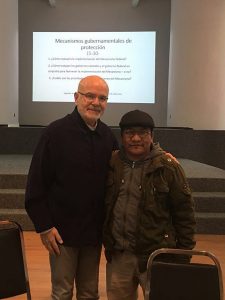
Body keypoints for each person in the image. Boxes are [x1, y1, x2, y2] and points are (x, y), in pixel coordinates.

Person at [25, 75, 119, 300]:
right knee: (62, 293)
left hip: (93, 233)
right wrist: (45, 227)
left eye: (102, 98)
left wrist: (161, 156)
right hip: (62, 233)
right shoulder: (54, 133)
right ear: (76, 97)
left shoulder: (108, 136)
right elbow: (36, 184)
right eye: (90, 96)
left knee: (89, 293)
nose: (96, 102)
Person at [103, 109, 196, 300]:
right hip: (119, 257)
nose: (136, 138)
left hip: (157, 258)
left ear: (151, 136)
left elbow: (185, 214)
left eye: (142, 133)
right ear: (122, 137)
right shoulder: (112, 163)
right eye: (130, 133)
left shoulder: (168, 167)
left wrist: (182, 257)